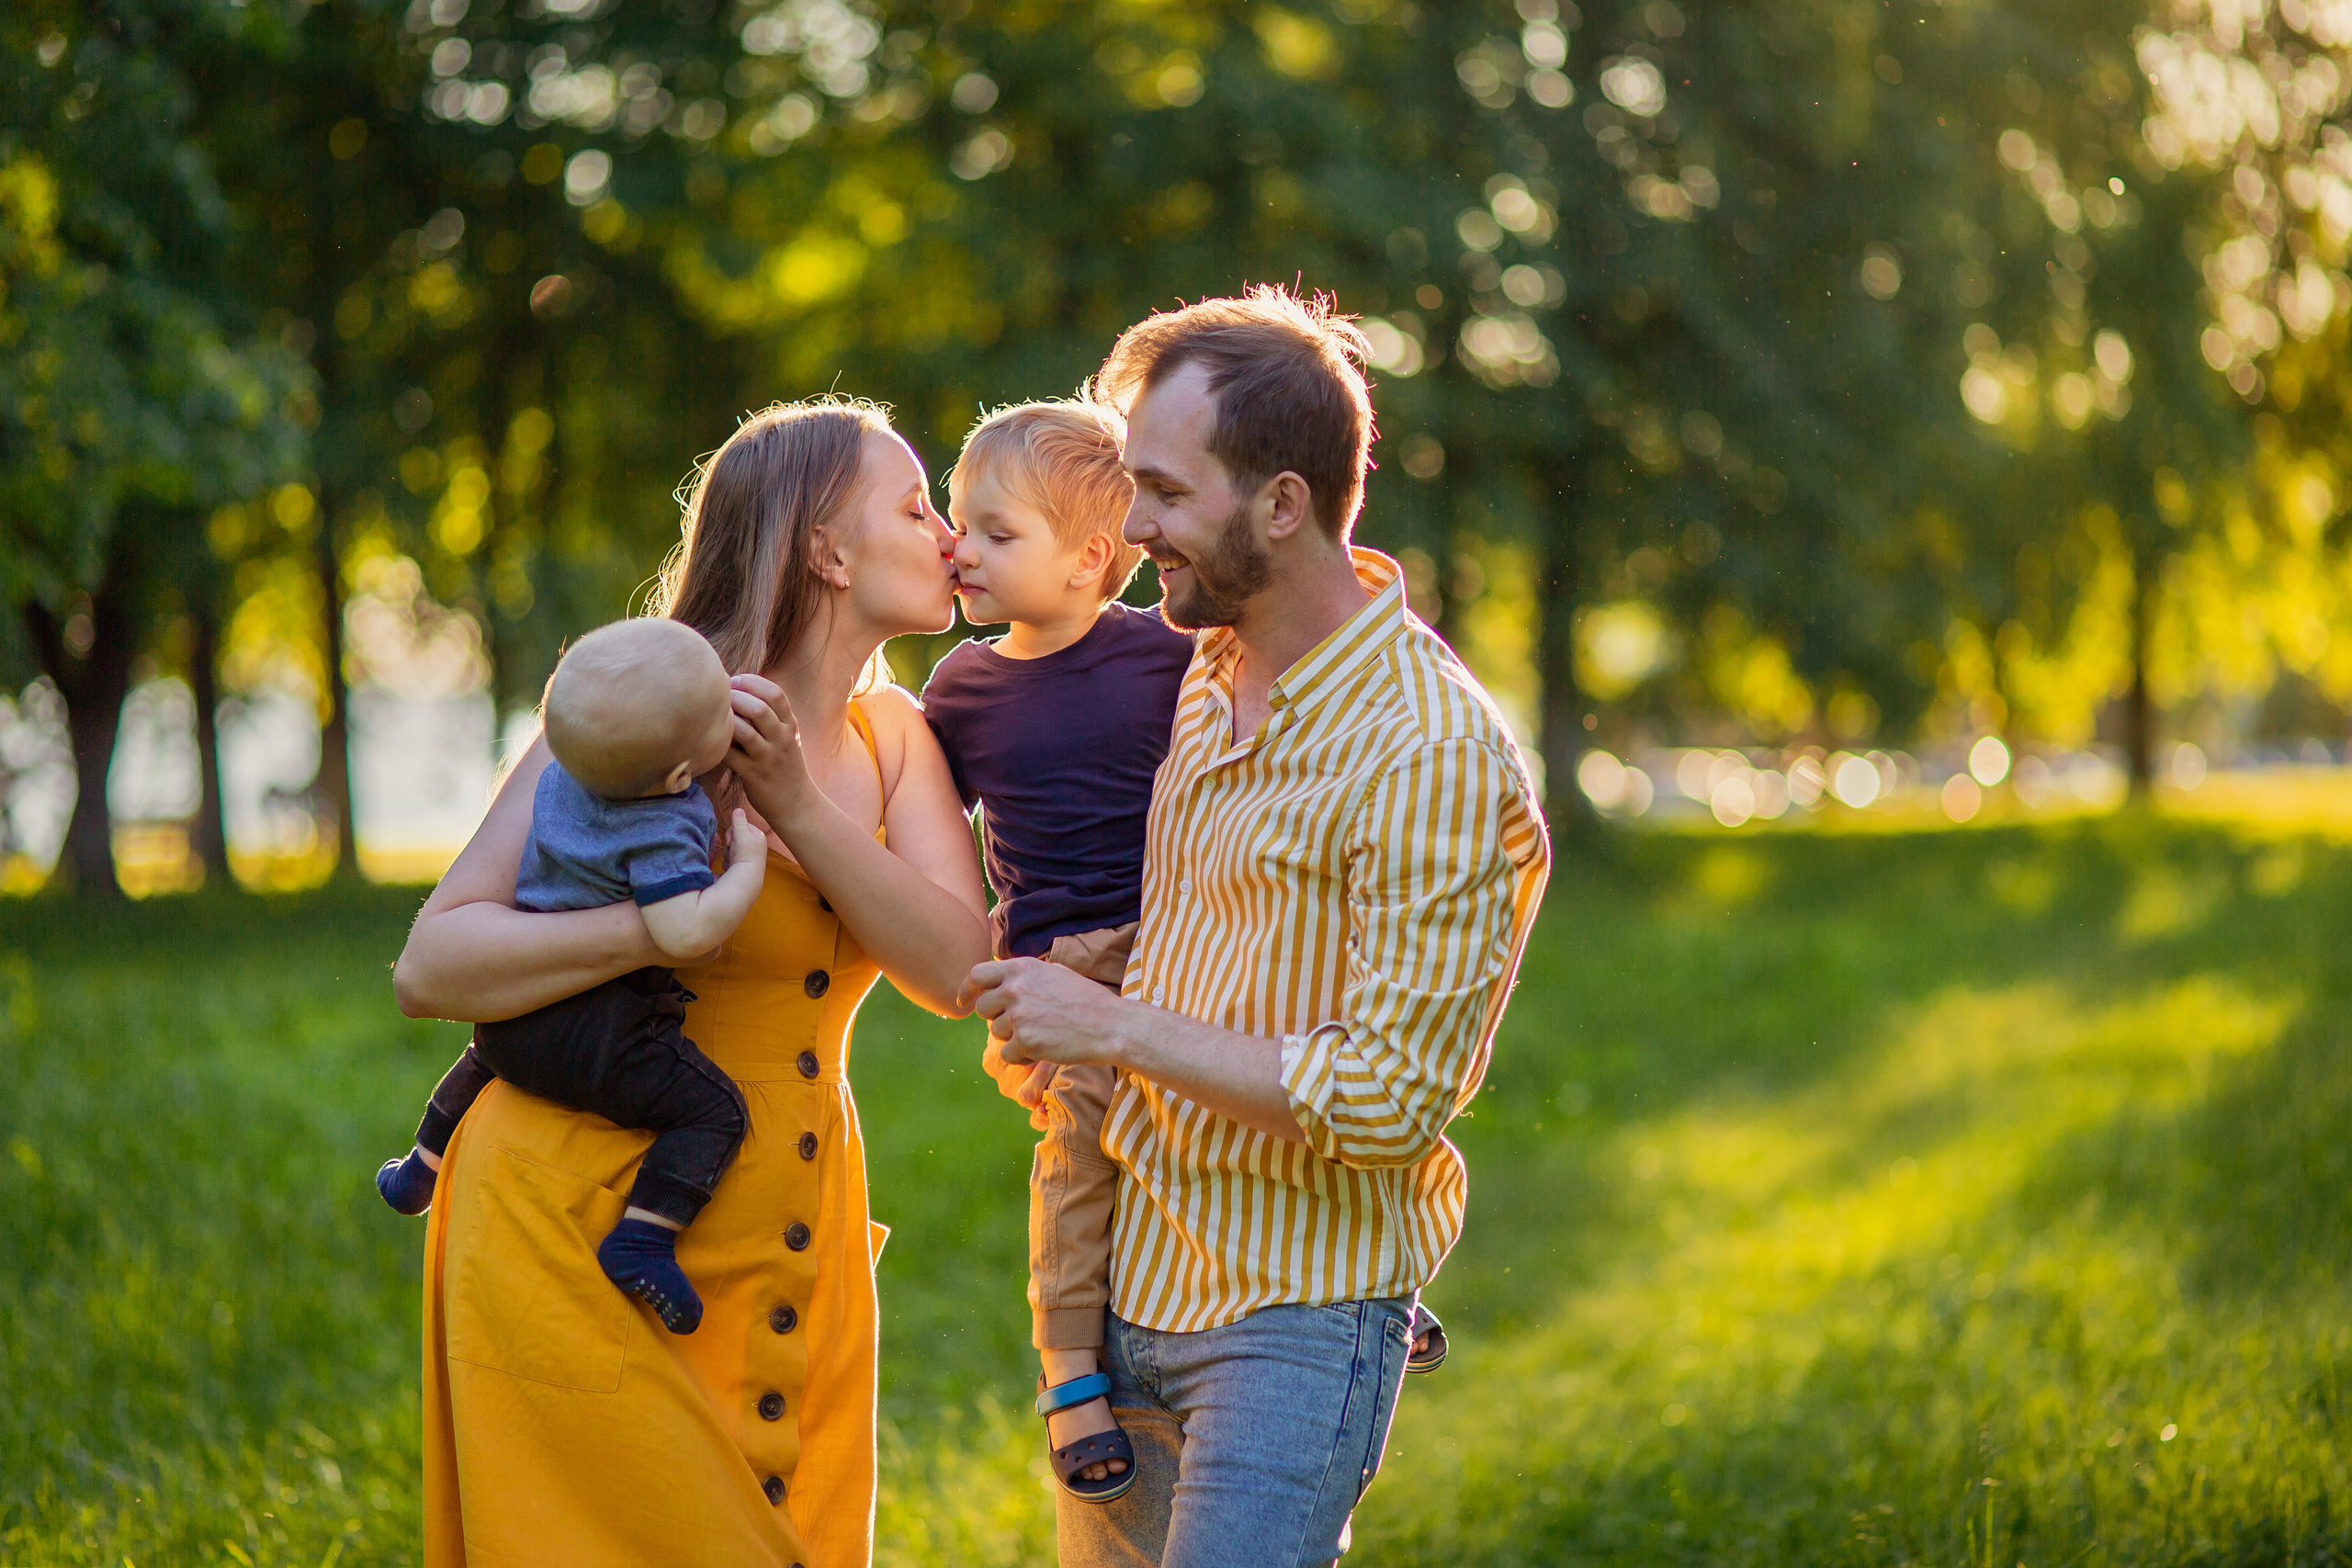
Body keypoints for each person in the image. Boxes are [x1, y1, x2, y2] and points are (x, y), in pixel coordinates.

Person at [963, 288, 1553, 1568]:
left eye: (1166, 494)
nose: (1132, 526)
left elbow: (1389, 1098)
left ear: (1281, 503)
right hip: (1128, 1279)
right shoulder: (1200, 672)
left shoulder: (1429, 750)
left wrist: (1111, 1023)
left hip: (1292, 1316)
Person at [392, 399, 991, 1568]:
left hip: (789, 1226)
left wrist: (799, 810)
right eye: (918, 508)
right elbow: (433, 963)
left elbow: (959, 971)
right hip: (580, 1223)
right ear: (825, 547)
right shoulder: (648, 702)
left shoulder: (893, 739)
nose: (952, 537)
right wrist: (663, 926)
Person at [918, 399, 1195, 1502]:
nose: (959, 549)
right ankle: (1069, 1369)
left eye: (995, 532)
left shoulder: (1169, 655)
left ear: (1091, 559)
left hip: (1189, 935)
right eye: (955, 522)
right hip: (1064, 963)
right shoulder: (961, 689)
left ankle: (1352, 1282)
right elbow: (927, 845)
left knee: (1245, 1097)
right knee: (1080, 1151)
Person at [376, 618, 770, 1336]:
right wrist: (744, 867)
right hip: (607, 1033)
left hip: (514, 1023)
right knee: (716, 1111)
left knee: (483, 1057)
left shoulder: (560, 781)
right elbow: (683, 933)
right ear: (680, 774)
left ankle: (420, 1167)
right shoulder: (666, 818)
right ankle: (644, 1235)